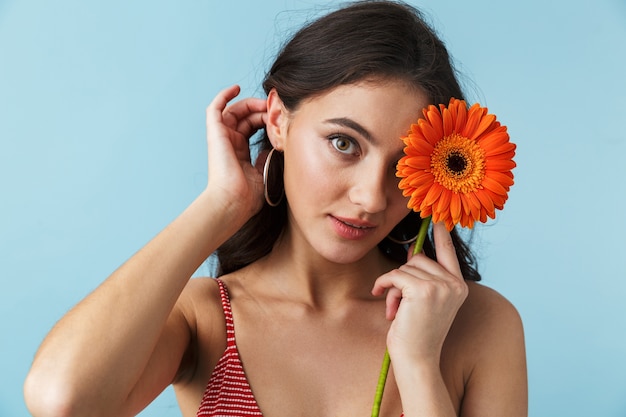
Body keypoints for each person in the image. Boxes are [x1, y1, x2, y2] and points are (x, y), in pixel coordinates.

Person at [24, 1, 527, 416]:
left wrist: (418, 365)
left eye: (402, 165)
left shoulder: (477, 326)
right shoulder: (205, 319)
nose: (371, 198)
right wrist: (221, 204)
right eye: (343, 143)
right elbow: (62, 400)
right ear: (279, 121)